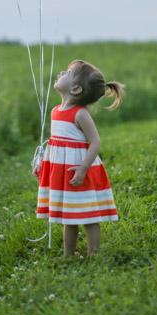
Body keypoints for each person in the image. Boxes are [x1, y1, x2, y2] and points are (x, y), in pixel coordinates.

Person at [33, 59, 125, 258]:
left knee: (89, 215)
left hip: (79, 168)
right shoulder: (55, 111)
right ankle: (68, 255)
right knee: (69, 216)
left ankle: (94, 255)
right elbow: (54, 143)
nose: (61, 72)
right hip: (62, 169)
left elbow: (95, 142)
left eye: (68, 71)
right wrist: (42, 162)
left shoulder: (80, 114)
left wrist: (83, 168)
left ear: (75, 89)